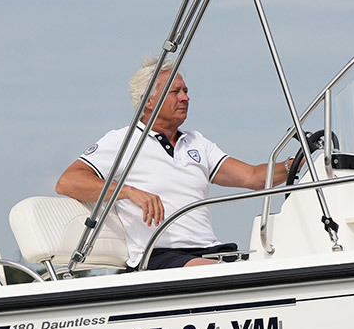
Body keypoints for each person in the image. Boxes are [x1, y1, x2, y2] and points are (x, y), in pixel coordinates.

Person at [57, 58, 300, 269]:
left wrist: (295, 163)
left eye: (185, 91)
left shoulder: (196, 142)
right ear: (148, 101)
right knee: (236, 271)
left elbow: (253, 177)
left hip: (211, 251)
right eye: (176, 92)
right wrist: (129, 192)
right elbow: (68, 181)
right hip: (159, 256)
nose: (186, 97)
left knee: (281, 260)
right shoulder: (123, 140)